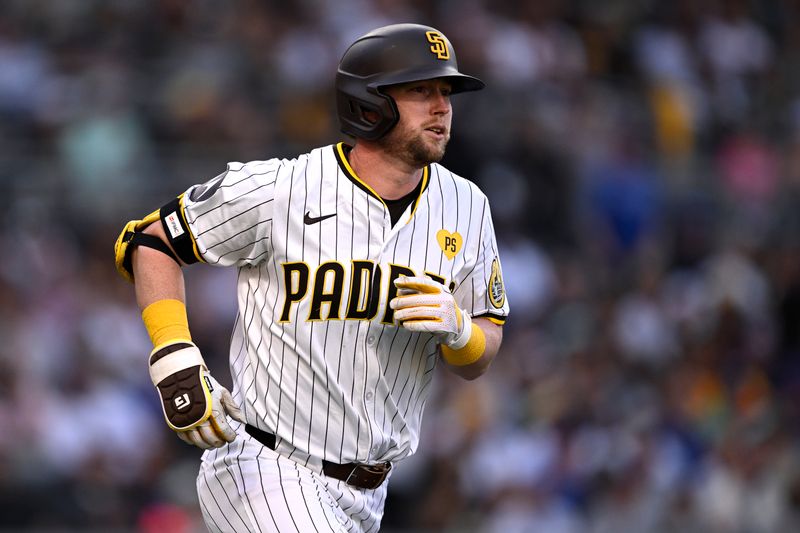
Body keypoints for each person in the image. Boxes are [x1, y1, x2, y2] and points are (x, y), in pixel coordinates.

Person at [114, 23, 509, 532]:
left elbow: (483, 351)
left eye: (445, 92)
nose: (442, 107)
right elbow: (151, 240)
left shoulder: (467, 205)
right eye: (421, 91)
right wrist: (173, 351)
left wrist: (460, 330)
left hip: (370, 491)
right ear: (370, 103)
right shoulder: (282, 188)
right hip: (264, 463)